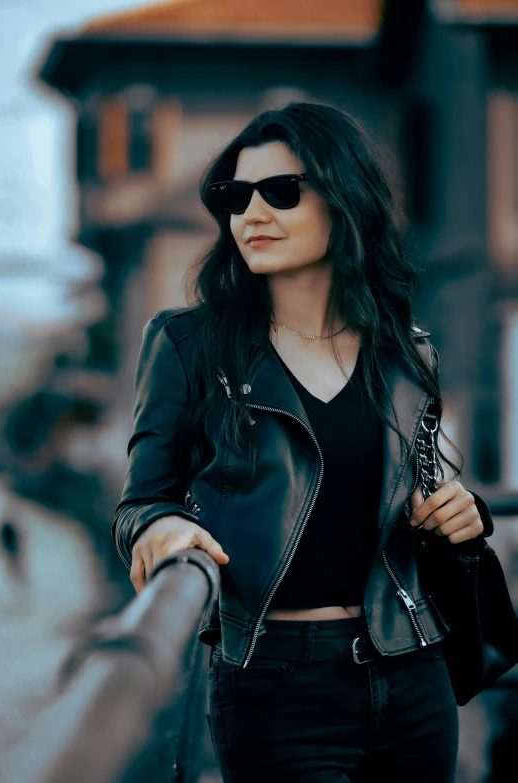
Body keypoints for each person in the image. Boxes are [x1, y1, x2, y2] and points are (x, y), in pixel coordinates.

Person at [112, 102, 494, 782]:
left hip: (413, 671)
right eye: (235, 196)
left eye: (281, 192)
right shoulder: (186, 345)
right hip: (274, 680)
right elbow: (143, 501)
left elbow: (420, 491)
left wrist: (454, 510)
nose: (251, 215)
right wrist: (161, 526)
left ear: (344, 198)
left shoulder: (408, 355)